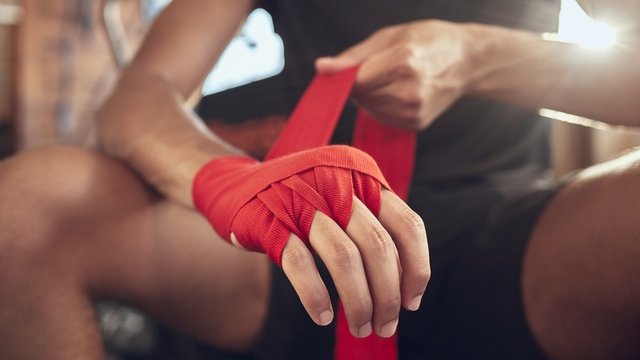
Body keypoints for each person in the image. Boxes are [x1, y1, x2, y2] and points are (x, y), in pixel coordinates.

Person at [0, 0, 639, 359]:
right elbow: (138, 96)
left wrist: (481, 57)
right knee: (25, 205)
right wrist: (233, 184)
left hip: (513, 241)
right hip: (291, 238)